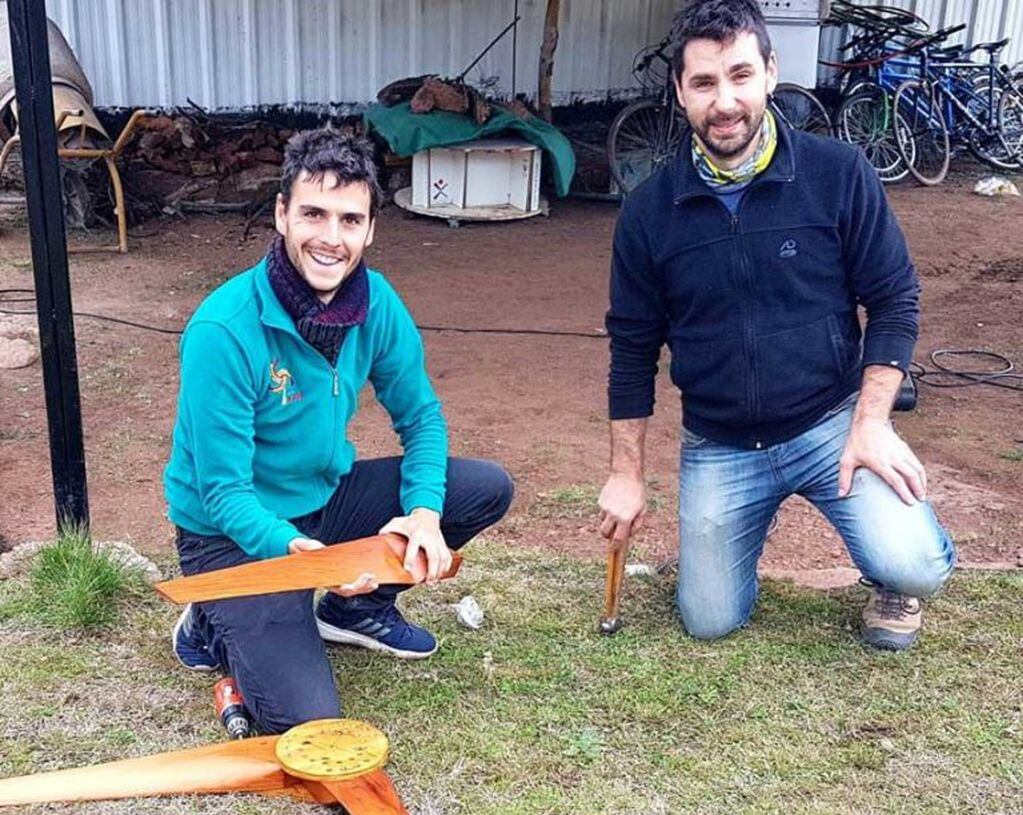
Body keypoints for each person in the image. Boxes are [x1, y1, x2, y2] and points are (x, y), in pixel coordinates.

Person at [598, 0, 955, 651]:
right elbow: (631, 350)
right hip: (721, 443)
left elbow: (894, 298)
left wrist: (870, 422)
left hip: (832, 424)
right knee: (708, 618)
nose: (724, 101)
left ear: (769, 71)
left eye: (739, 75)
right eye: (704, 83)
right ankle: (721, 553)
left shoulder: (837, 174)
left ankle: (892, 576)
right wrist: (626, 471)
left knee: (913, 563)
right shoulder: (648, 212)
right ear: (679, 93)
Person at [163, 127, 513, 733]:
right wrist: (303, 558)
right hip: (229, 533)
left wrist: (425, 514)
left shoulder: (375, 302)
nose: (331, 238)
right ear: (281, 214)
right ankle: (209, 613)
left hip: (325, 499)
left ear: (371, 229)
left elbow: (422, 418)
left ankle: (356, 613)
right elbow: (221, 491)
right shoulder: (223, 329)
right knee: (308, 724)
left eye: (350, 220)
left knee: (484, 486)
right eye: (313, 214)